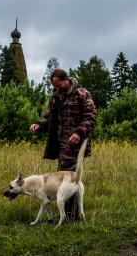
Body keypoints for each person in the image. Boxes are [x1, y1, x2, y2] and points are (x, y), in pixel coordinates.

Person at [30, 68, 96, 220]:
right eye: (54, 86)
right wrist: (39, 124)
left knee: (69, 179)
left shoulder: (82, 94)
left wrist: (79, 133)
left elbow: (90, 117)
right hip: (60, 143)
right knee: (66, 178)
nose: (56, 89)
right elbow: (49, 116)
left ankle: (71, 215)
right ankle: (72, 214)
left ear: (66, 80)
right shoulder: (56, 96)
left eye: (58, 85)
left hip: (76, 144)